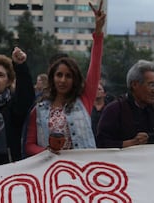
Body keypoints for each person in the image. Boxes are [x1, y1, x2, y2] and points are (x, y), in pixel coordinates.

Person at [24, 0, 105, 156]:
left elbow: (95, 67)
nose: (62, 80)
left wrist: (98, 33)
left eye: (68, 76)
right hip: (51, 172)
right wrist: (47, 152)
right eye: (59, 75)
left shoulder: (84, 100)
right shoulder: (39, 110)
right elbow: (29, 145)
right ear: (52, 78)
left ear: (74, 80)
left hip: (82, 171)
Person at [96, 60, 154, 148]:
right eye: (151, 85)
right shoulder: (114, 110)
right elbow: (102, 143)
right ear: (134, 85)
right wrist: (132, 143)